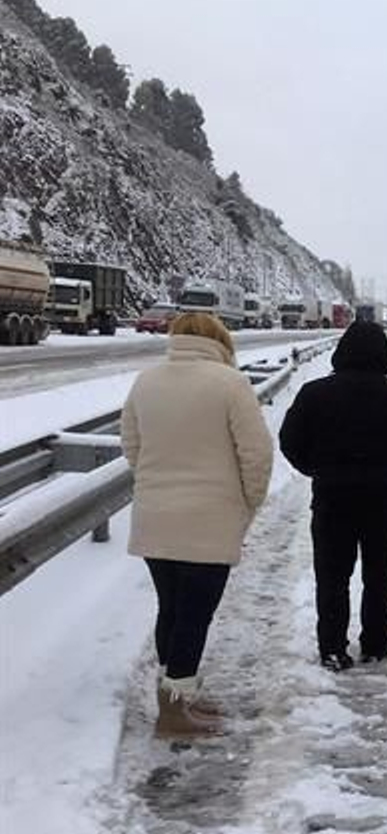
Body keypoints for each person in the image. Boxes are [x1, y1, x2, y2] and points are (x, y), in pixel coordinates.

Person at [121, 312, 274, 737]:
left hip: (155, 517)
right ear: (220, 341)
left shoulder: (146, 381)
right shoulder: (230, 384)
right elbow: (256, 454)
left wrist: (156, 484)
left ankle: (176, 695)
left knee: (170, 609)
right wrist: (248, 502)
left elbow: (131, 446)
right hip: (210, 519)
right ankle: (173, 715)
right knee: (194, 615)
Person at [279, 320, 387, 670]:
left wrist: (318, 470)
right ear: (384, 355)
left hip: (331, 497)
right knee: (380, 573)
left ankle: (333, 647)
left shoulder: (315, 394)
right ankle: (375, 641)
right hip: (384, 498)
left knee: (332, 575)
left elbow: (290, 442)